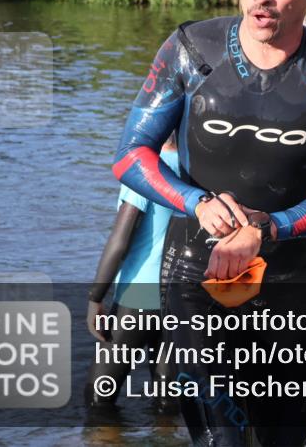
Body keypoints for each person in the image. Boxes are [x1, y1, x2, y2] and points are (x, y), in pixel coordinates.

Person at [112, 0, 306, 446]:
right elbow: (129, 156)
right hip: (194, 275)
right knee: (221, 440)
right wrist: (195, 202)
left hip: (290, 285)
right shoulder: (191, 49)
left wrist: (269, 227)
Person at [85, 133, 181, 412]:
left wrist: (95, 298)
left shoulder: (145, 169)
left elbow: (120, 241)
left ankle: (106, 440)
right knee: (167, 399)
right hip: (181, 296)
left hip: (139, 296)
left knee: (98, 398)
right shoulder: (196, 171)